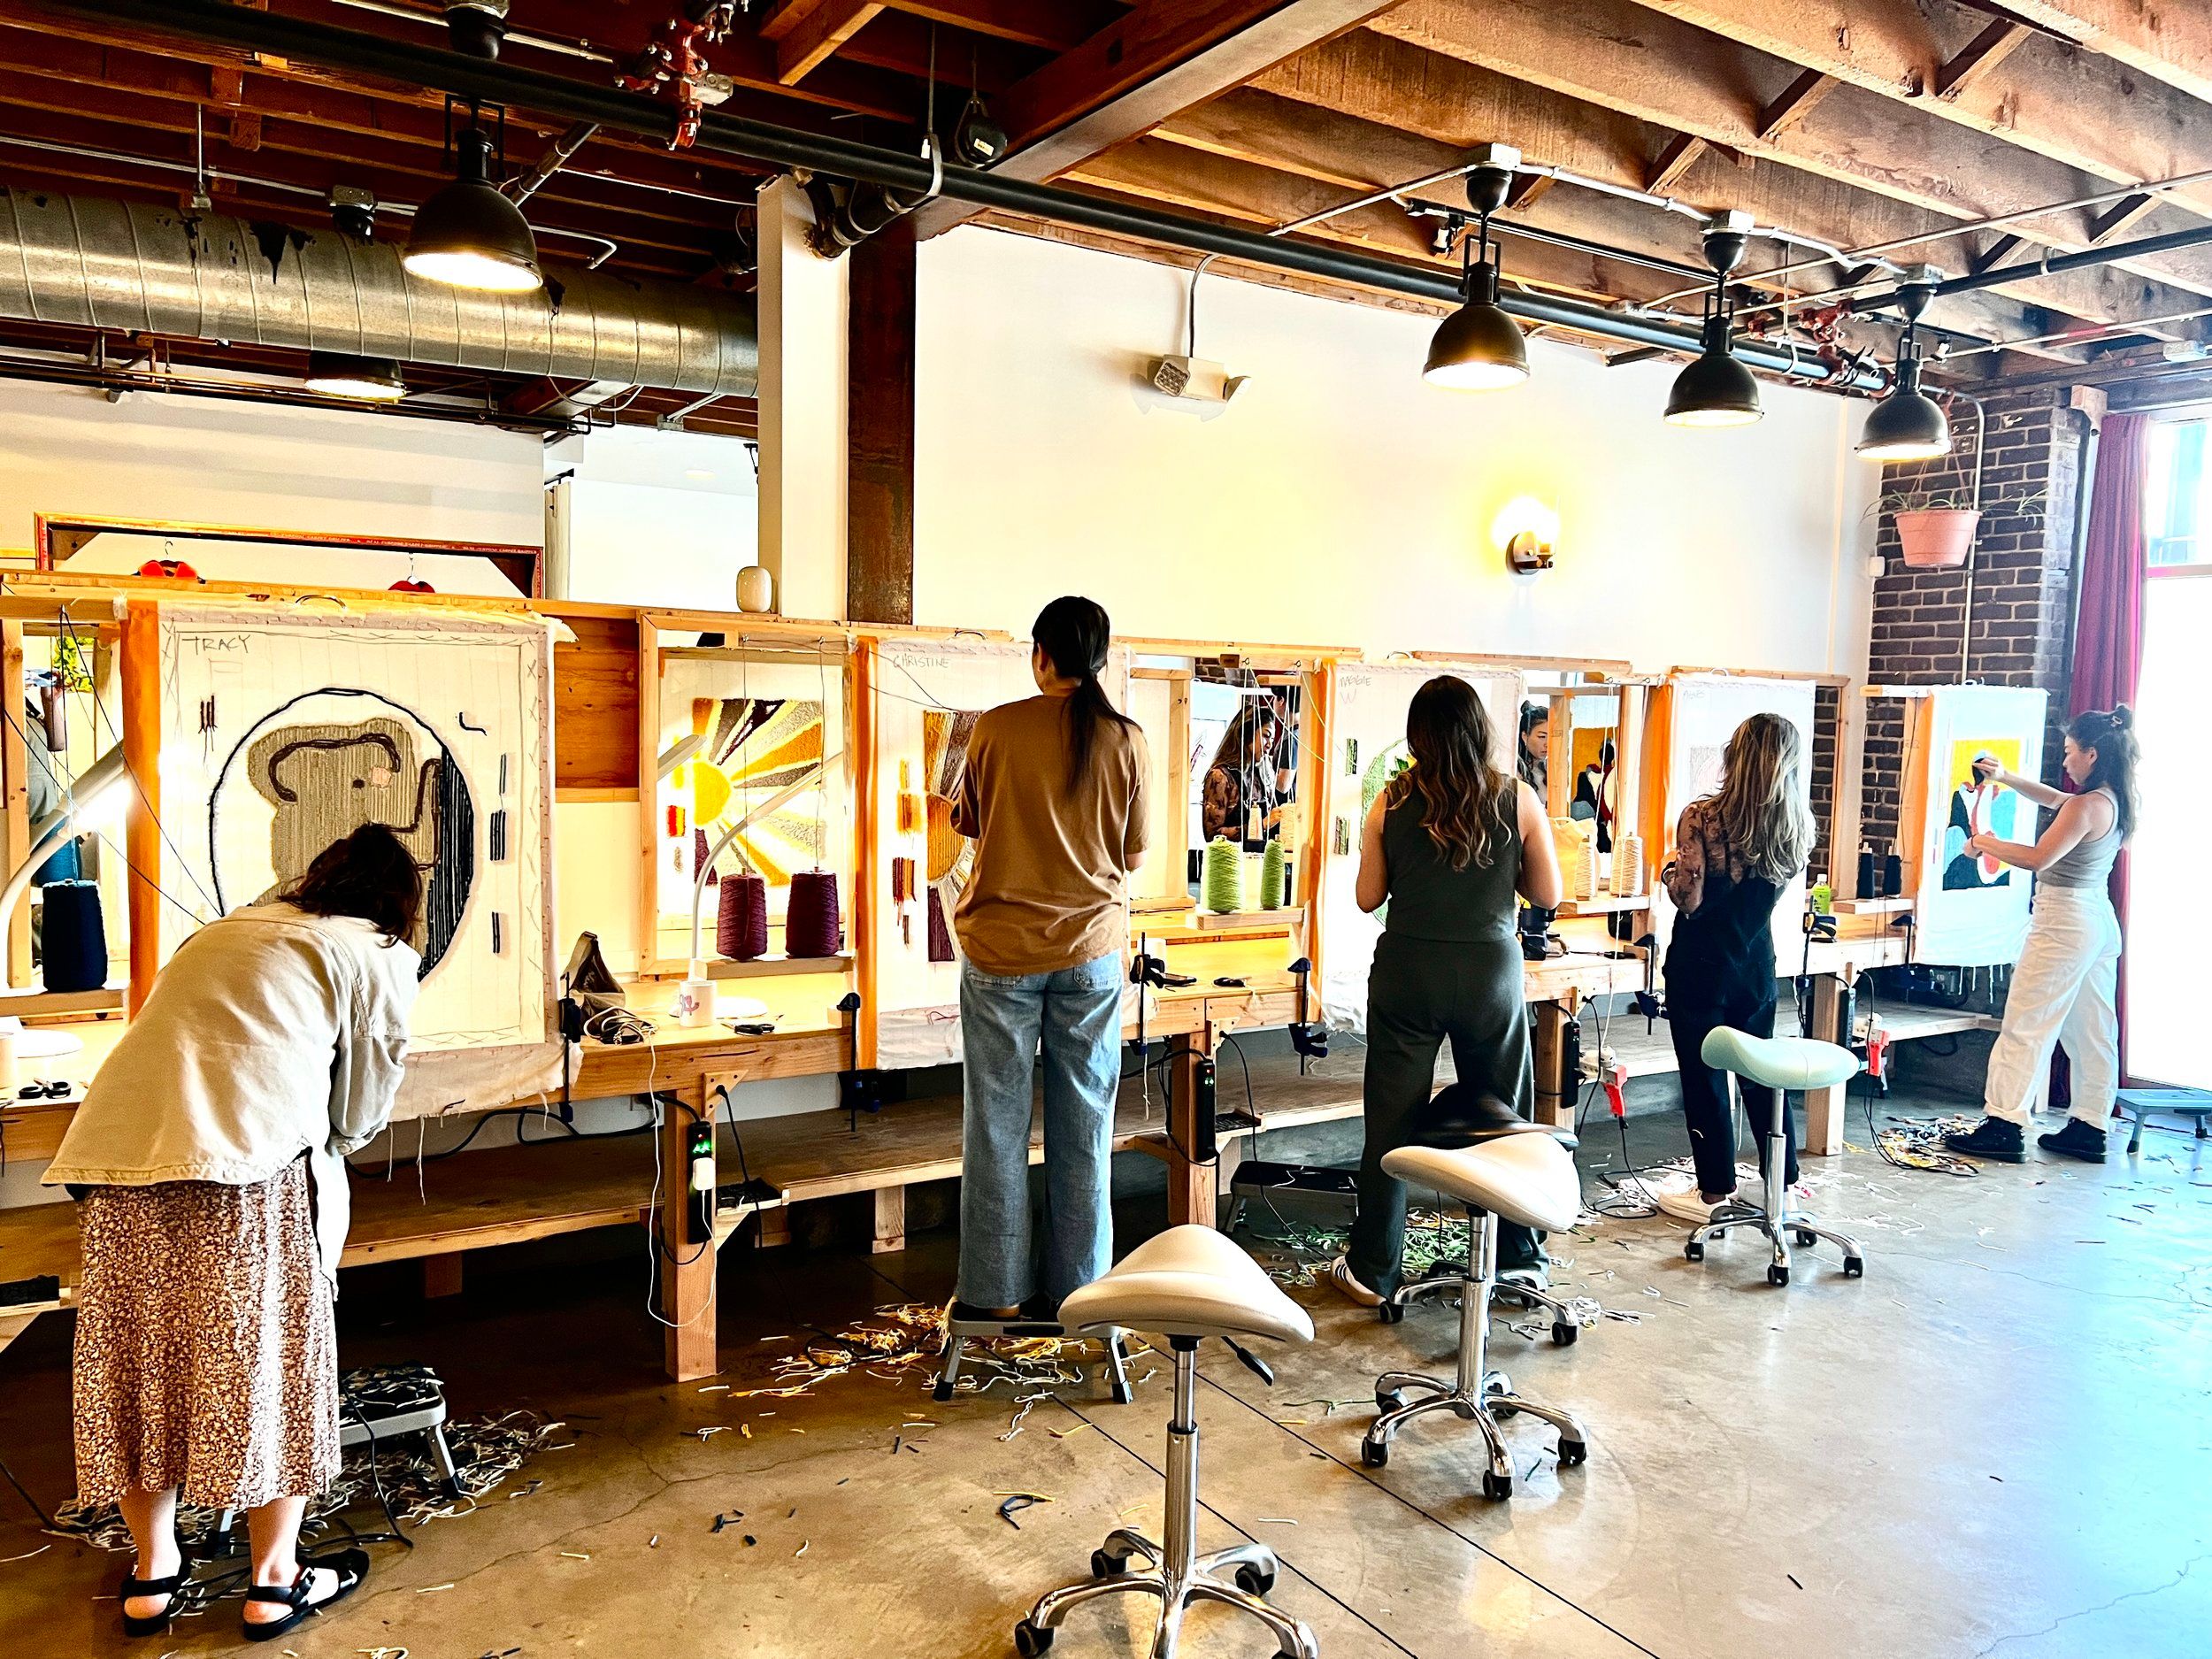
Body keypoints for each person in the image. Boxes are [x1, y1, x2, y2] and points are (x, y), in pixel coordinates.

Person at [42, 824, 423, 1640]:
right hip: (246, 1170)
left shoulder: (225, 928)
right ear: (399, 901)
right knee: (273, 1364)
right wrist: (337, 1137)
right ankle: (274, 1582)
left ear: (317, 876)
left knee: (142, 1358)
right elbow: (363, 1100)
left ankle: (153, 1573)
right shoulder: (378, 949)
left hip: (120, 1160)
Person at [1329, 676, 1563, 1306]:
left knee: (1391, 1123)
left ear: (1416, 738)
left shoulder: (1390, 802)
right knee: (1504, 1118)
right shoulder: (1518, 800)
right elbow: (1548, 895)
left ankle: (1375, 1269)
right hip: (1490, 975)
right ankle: (1516, 1259)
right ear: (1482, 731)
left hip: (1408, 974)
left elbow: (1367, 897)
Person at [949, 596, 1149, 1320]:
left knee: (995, 1126)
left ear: (1041, 654)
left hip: (999, 951)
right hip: (1091, 954)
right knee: (1085, 1126)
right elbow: (1130, 852)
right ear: (1099, 658)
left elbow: (967, 824)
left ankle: (996, 1293)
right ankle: (1078, 1291)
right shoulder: (1126, 740)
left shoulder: (996, 729)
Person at [1942, 706, 2136, 1165]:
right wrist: (2006, 776)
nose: (2065, 762)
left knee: (2026, 1022)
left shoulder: (2088, 806)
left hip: (2064, 922)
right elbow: (2056, 801)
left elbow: (2037, 858)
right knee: (2094, 1028)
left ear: (2092, 754)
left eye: (2070, 754)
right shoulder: (2114, 798)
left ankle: (2003, 1124)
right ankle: (2090, 1126)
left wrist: (1983, 842)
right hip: (2096, 920)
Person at [1654, 713, 1812, 1225]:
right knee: (1760, 1073)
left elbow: (1690, 899)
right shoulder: (1797, 824)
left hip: (1701, 962)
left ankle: (1714, 1193)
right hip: (1755, 965)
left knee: (1703, 1074)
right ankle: (1782, 1186)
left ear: (1735, 757)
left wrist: (1668, 871)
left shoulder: (1701, 818)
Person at [1201, 695, 1291, 844]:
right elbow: (1212, 835)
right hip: (1231, 864)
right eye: (1266, 736)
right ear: (1247, 733)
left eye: (1272, 740)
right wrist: (1262, 825)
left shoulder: (1259, 774)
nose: (1269, 745)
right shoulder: (1220, 777)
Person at [1517, 702, 1550, 800]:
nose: (1547, 744)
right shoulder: (1516, 772)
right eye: (1542, 737)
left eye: (1552, 737)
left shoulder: (1551, 769)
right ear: (1525, 737)